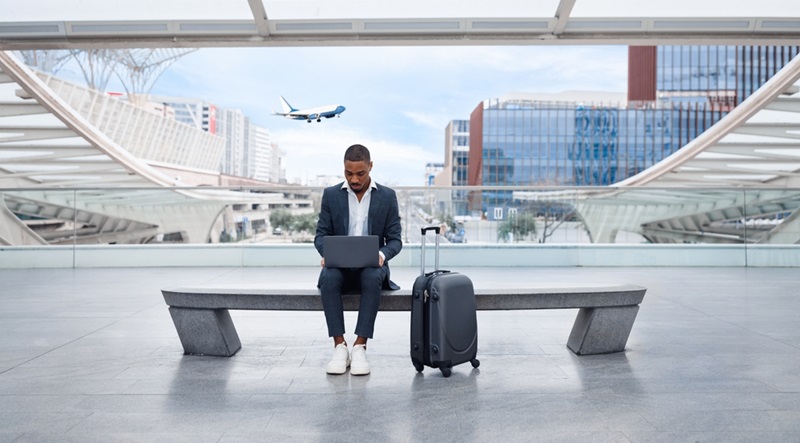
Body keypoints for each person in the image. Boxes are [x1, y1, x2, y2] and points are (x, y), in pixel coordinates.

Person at [314, 144, 403, 375]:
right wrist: (327, 253)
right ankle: (339, 346)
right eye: (348, 173)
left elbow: (395, 240)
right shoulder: (331, 195)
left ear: (370, 167)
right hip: (340, 268)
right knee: (328, 276)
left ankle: (360, 345)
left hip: (372, 267)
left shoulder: (387, 196)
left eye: (360, 173)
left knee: (372, 275)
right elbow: (321, 235)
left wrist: (382, 255)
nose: (354, 179)